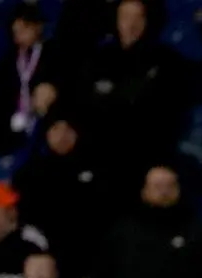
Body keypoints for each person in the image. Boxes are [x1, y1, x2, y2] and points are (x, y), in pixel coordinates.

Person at [79, 0, 187, 198]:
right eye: (125, 17)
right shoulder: (98, 60)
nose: (131, 24)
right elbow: (86, 111)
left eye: (138, 17)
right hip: (103, 160)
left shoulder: (168, 61)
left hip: (147, 160)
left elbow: (169, 116)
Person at [13, 105, 113, 278]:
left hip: (90, 267)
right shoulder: (29, 174)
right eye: (56, 129)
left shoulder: (97, 171)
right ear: (46, 133)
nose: (62, 136)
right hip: (45, 268)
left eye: (68, 129)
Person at [0, 2, 60, 158]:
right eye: (16, 30)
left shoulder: (53, 56)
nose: (19, 34)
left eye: (24, 28)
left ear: (38, 27)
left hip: (43, 127)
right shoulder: (7, 62)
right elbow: (1, 101)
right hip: (14, 131)